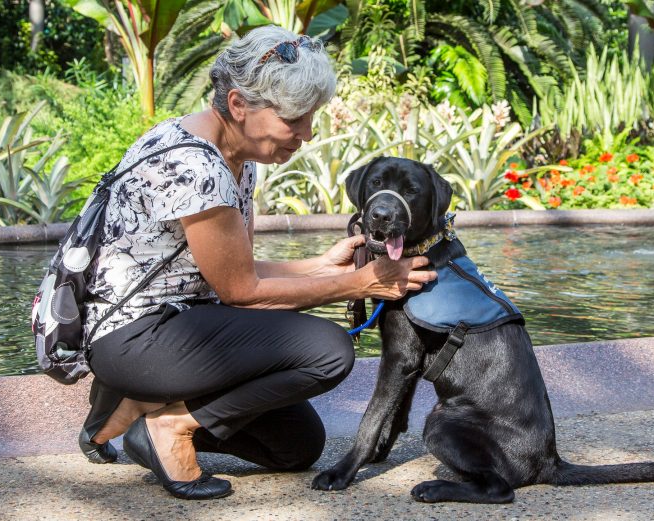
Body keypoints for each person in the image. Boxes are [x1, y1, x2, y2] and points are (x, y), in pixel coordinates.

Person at [76, 25, 436, 500]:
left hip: (185, 322)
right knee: (328, 350)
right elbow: (240, 293)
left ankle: (139, 402)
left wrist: (321, 266)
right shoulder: (195, 167)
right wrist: (363, 283)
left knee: (296, 448)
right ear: (240, 105)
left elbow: (231, 269)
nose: (306, 135)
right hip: (137, 335)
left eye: (311, 119)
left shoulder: (235, 155)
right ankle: (171, 427)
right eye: (295, 120)